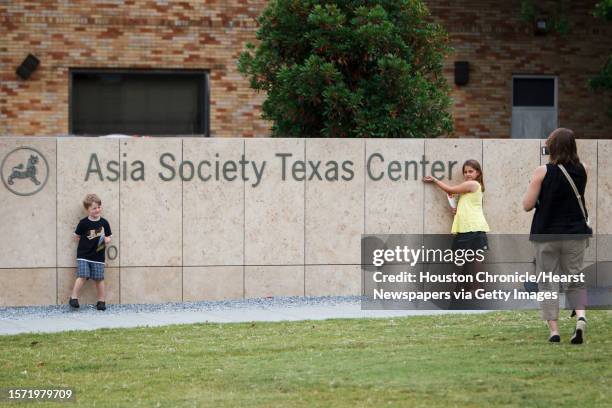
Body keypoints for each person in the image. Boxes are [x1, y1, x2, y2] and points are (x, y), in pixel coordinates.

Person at [523, 128, 591, 344]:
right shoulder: (584, 169)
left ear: (552, 147)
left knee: (547, 283)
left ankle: (554, 331)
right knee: (575, 278)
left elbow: (527, 205)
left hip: (547, 235)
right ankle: (580, 318)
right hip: (575, 234)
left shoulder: (542, 171)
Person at [423, 159, 490, 291]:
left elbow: (450, 189)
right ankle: (475, 288)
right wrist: (457, 210)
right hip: (476, 225)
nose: (467, 174)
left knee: (459, 259)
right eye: (465, 172)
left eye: (471, 171)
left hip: (468, 227)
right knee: (475, 258)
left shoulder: (471, 184)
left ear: (478, 173)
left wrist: (435, 180)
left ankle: (456, 288)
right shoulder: (475, 186)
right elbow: (467, 204)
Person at [69, 193, 112, 311]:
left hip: (98, 256)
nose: (97, 210)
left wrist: (106, 240)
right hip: (84, 255)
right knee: (82, 275)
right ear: (87, 210)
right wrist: (85, 244)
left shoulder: (104, 223)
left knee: (99, 278)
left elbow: (109, 237)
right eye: (94, 208)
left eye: (99, 207)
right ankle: (73, 297)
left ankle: (101, 300)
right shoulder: (83, 223)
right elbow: (76, 236)